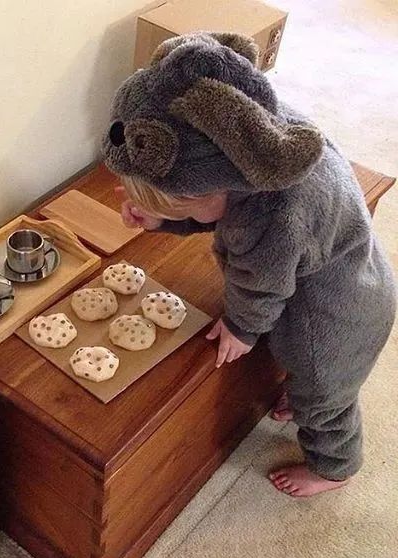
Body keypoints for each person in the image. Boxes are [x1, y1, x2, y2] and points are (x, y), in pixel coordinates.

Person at [102, 32, 396, 497]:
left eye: (183, 207)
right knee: (315, 386)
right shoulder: (254, 138)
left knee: (325, 397)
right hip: (350, 265)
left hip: (336, 315)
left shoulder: (272, 216)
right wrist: (162, 218)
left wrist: (242, 327)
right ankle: (306, 401)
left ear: (211, 187)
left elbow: (261, 284)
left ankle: (334, 467)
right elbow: (212, 212)